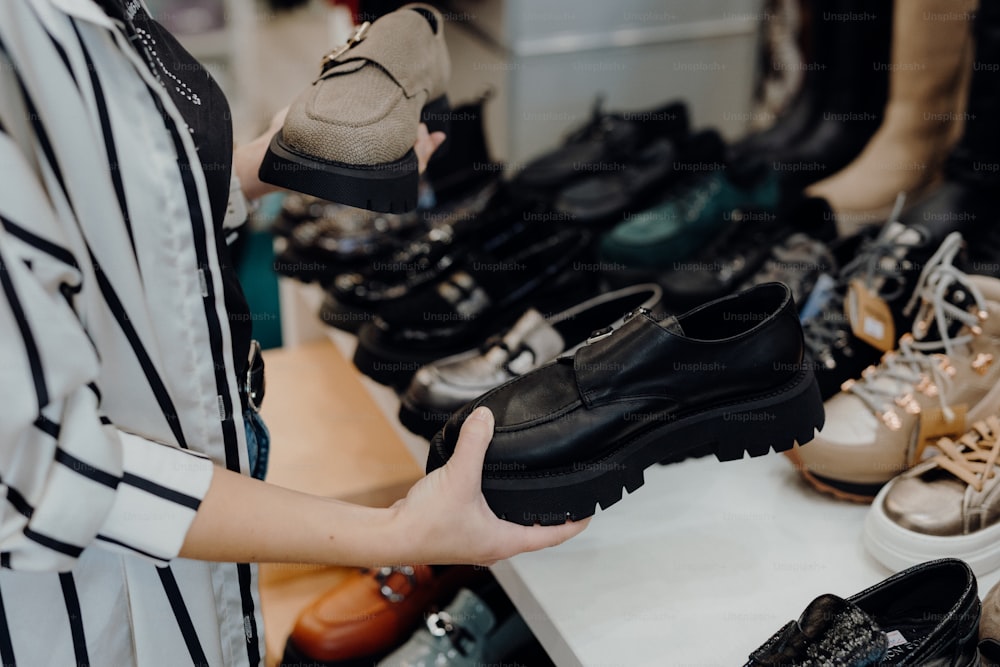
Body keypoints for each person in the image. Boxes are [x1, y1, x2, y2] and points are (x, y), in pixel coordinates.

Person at [0, 1, 586, 665]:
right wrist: (396, 530)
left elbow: (84, 208)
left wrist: (261, 166)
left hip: (202, 486)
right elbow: (37, 470)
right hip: (71, 602)